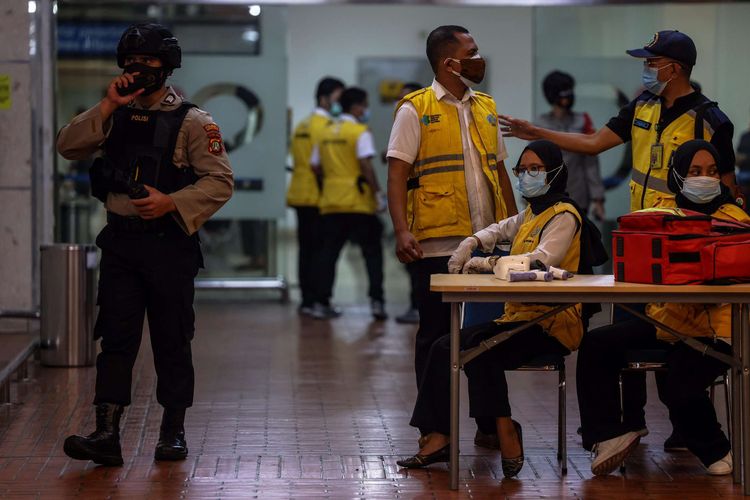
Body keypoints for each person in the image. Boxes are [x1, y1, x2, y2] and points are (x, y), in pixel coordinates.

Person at [56, 23, 233, 466]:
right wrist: (108, 103)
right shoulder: (113, 112)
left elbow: (219, 181)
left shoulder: (194, 121)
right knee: (115, 340)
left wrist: (171, 201)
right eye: (132, 61)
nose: (138, 69)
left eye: (149, 61)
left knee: (172, 340)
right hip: (120, 245)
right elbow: (67, 145)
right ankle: (106, 433)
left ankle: (172, 432)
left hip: (169, 246)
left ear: (166, 66)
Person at [396, 140, 605, 478]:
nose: (525, 176)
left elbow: (540, 261)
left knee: (481, 352)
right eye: (521, 170)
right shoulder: (534, 212)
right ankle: (439, 435)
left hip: (552, 325)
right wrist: (473, 242)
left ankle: (504, 430)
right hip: (520, 318)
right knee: (443, 347)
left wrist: (487, 262)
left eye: (534, 169)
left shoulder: (564, 215)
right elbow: (502, 228)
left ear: (554, 172)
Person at [577, 140, 747, 477]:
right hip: (667, 322)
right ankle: (608, 435)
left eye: (712, 172)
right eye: (695, 172)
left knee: (677, 385)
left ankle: (718, 449)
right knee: (596, 344)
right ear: (678, 176)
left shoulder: (735, 220)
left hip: (717, 330)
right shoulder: (662, 215)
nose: (706, 179)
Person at [387, 25, 518, 448]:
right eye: (472, 52)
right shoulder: (414, 109)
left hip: (487, 245)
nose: (479, 59)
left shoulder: (486, 107)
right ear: (450, 63)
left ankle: (488, 424)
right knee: (434, 336)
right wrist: (402, 230)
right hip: (437, 244)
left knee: (485, 335)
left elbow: (499, 170)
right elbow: (397, 173)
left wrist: (517, 228)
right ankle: (435, 429)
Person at [501, 30, 739, 212]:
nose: (646, 68)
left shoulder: (710, 121)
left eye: (652, 62)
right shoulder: (642, 105)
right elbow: (594, 143)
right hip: (640, 224)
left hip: (685, 229)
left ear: (674, 69)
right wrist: (537, 132)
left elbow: (727, 189)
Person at [310, 87, 387, 320]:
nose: (366, 110)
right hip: (358, 203)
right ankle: (376, 301)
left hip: (331, 202)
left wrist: (330, 182)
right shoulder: (359, 131)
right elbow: (365, 164)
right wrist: (377, 193)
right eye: (364, 105)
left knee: (329, 253)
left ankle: (321, 302)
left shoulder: (324, 132)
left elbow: (315, 165)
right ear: (356, 107)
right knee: (372, 253)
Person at [286, 77, 345, 315]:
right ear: (324, 98)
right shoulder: (328, 127)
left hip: (300, 194)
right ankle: (322, 299)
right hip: (320, 197)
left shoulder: (302, 125)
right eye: (338, 99)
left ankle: (307, 300)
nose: (339, 104)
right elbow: (323, 165)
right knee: (323, 252)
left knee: (306, 250)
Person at [536, 71, 605, 220]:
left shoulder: (582, 121)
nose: (566, 97)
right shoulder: (541, 125)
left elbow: (591, 162)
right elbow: (533, 163)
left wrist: (598, 199)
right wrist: (528, 197)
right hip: (548, 195)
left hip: (578, 195)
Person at [394, 81, 424, 325]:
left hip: (427, 212)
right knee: (412, 263)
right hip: (410, 209)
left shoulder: (423, 122)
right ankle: (414, 304)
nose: (403, 105)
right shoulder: (403, 124)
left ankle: (417, 305)